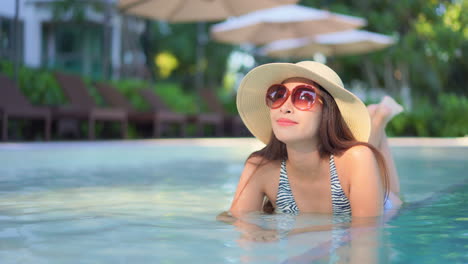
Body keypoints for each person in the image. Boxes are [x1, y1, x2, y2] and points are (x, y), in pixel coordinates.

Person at [218, 61, 403, 240]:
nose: (285, 107)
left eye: (305, 96)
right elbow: (234, 220)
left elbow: (365, 238)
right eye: (279, 95)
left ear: (328, 111)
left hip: (385, 206)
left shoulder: (357, 158)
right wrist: (254, 231)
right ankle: (378, 119)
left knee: (391, 192)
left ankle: (379, 121)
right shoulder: (260, 167)